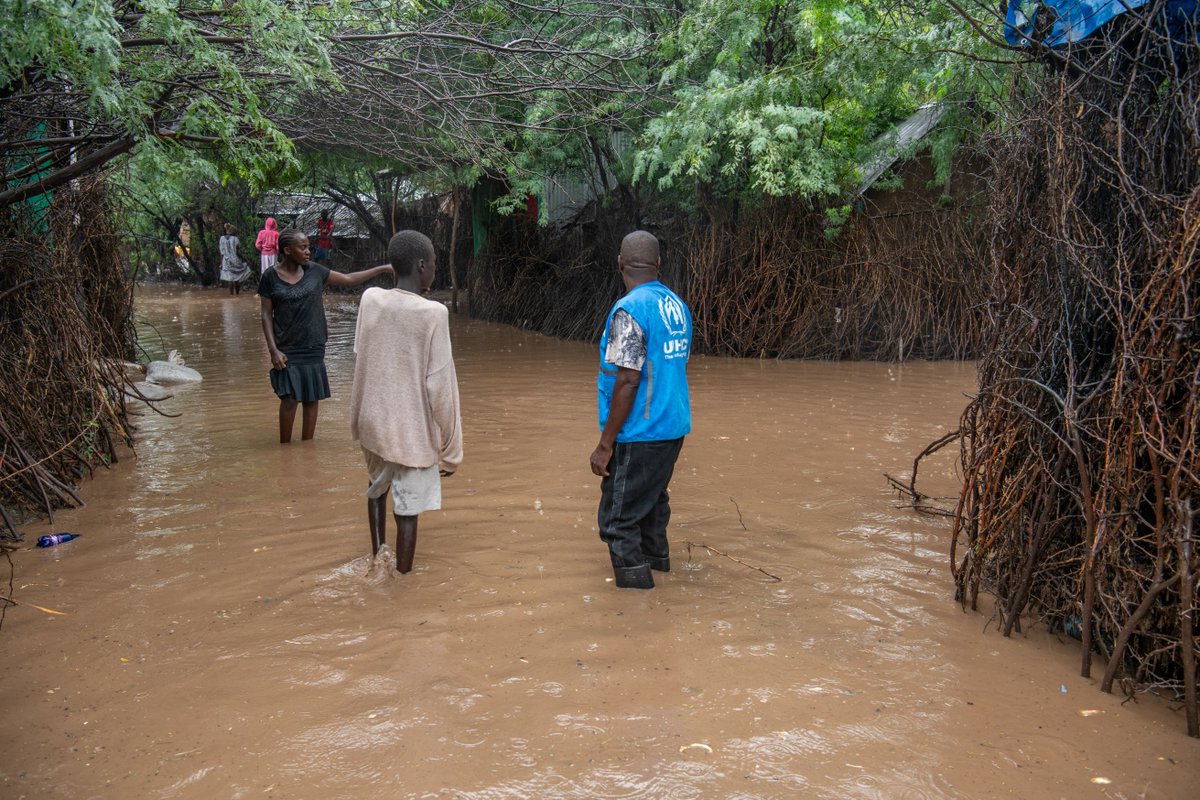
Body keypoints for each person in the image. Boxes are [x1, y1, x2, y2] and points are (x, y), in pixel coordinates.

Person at [349, 230, 462, 574]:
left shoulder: (370, 299)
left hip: (372, 422)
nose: (434, 272)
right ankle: (402, 579)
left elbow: (360, 355)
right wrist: (452, 449)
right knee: (408, 510)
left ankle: (377, 555)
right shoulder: (433, 314)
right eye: (434, 266)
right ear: (421, 266)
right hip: (410, 431)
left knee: (376, 487)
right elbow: (441, 386)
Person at [589, 230, 693, 589]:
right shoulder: (676, 305)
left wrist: (605, 444)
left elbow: (628, 381)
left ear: (620, 263)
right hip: (672, 427)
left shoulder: (629, 309)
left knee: (617, 520)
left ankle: (638, 606)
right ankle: (661, 582)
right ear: (658, 265)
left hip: (640, 433)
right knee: (650, 509)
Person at [258, 228, 394, 444]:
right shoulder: (270, 277)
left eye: (308, 246)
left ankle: (306, 448)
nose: (308, 251)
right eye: (302, 247)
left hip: (313, 344)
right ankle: (284, 449)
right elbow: (266, 314)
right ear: (287, 250)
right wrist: (273, 350)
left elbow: (349, 279)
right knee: (290, 399)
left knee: (312, 399)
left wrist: (383, 269)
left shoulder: (315, 271)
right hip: (286, 347)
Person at [218, 223, 250, 295]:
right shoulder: (235, 239)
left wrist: (221, 263)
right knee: (236, 278)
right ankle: (237, 294)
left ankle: (231, 295)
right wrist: (245, 259)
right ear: (233, 231)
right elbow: (238, 251)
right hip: (235, 260)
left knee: (230, 278)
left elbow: (221, 252)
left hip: (225, 260)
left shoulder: (222, 239)